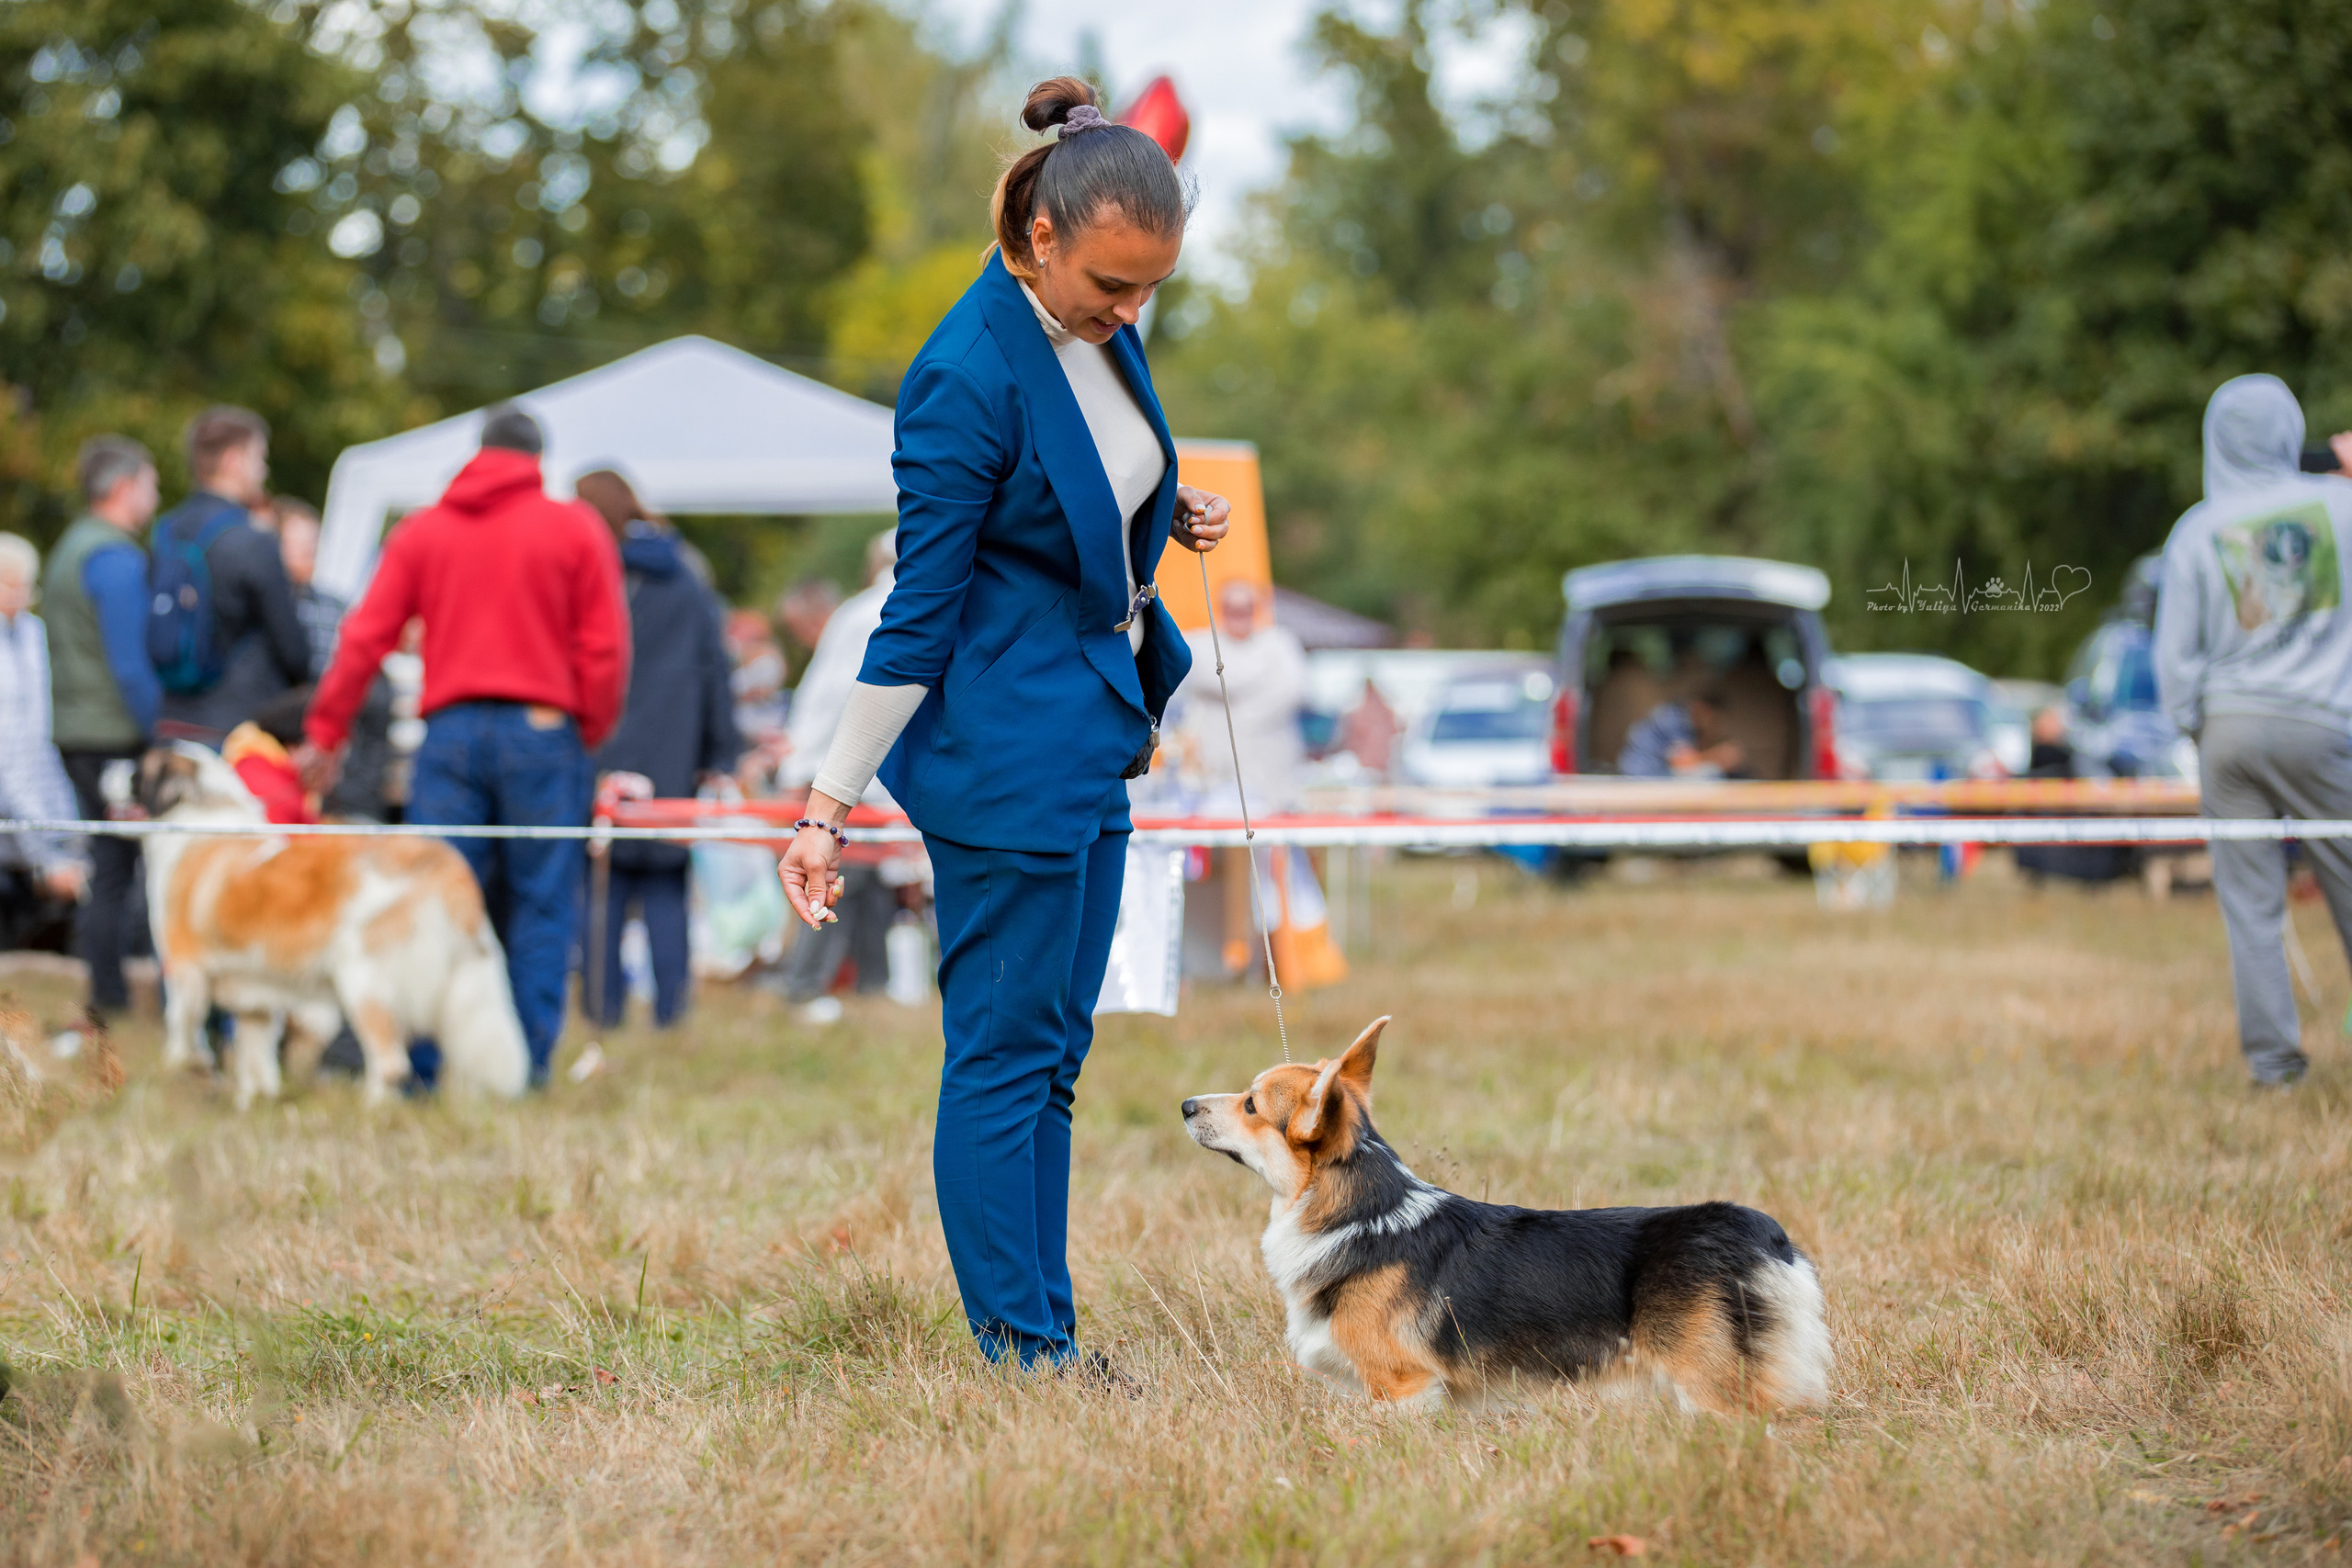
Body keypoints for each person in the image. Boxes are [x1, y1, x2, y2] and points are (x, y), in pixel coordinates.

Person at [777, 77, 1229, 1379]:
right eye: (1111, 287)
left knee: (1057, 1053)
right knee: (1002, 1053)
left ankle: (1051, 1329)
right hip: (1002, 758)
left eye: (1149, 292)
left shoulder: (1097, 324)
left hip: (1092, 732)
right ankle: (1025, 1348)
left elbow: (1088, 473)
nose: (1129, 312)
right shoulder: (961, 376)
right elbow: (914, 615)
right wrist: (825, 807)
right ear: (1041, 239)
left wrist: (1162, 507)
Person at [297, 404, 629, 1088]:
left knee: (433, 901)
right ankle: (527, 1070)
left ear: (477, 453)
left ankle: (421, 1064)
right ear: (539, 460)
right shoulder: (575, 527)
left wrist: (325, 731)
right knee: (542, 903)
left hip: (447, 735)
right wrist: (583, 730)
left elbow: (365, 637)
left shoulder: (424, 531)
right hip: (542, 730)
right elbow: (605, 648)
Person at [2154, 375, 2352, 1088]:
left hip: (2231, 726)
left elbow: (2174, 658)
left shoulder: (2199, 527)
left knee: (2251, 906)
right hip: (2328, 724)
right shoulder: (2341, 506)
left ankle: (2275, 1067)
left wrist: (2194, 727)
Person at [575, 468, 739, 1030]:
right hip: (674, 754)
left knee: (604, 887)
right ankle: (671, 1012)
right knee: (666, 884)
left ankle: (602, 1009)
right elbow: (716, 670)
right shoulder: (687, 577)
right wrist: (721, 753)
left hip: (600, 749)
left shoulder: (587, 570)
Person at [44, 436, 162, 1015]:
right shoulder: (114, 557)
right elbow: (131, 663)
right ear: (123, 488)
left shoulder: (69, 547)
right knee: (125, 870)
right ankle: (114, 997)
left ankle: (107, 993)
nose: (155, 496)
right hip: (114, 734)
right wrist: (159, 731)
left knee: (106, 865)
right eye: (150, 484)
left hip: (75, 729)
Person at [775, 529, 903, 1023]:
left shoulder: (859, 612)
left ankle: (873, 984)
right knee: (834, 882)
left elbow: (822, 698)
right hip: (853, 782)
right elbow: (833, 700)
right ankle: (804, 986)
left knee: (864, 886)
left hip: (853, 778)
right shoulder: (873, 613)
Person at [151, 407, 312, 744]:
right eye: (259, 458)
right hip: (236, 724)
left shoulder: (166, 531)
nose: (263, 470)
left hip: (169, 718)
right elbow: (293, 650)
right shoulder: (253, 540)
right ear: (233, 460)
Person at [277, 498, 395, 821]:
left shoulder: (335, 604)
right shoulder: (270, 608)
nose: (307, 552)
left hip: (334, 729)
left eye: (312, 543)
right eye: (297, 543)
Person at [0, 534, 87, 953]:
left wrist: (59, 842)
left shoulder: (35, 634)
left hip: (37, 791)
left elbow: (40, 736)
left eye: (22, 586)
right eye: (7, 583)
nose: (17, 595)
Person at [1618, 685, 1746, 779]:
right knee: (1710, 775)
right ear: (1705, 709)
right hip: (1640, 776)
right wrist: (1719, 756)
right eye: (1713, 719)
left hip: (1650, 774)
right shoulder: (1674, 717)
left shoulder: (1682, 718)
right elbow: (1682, 763)